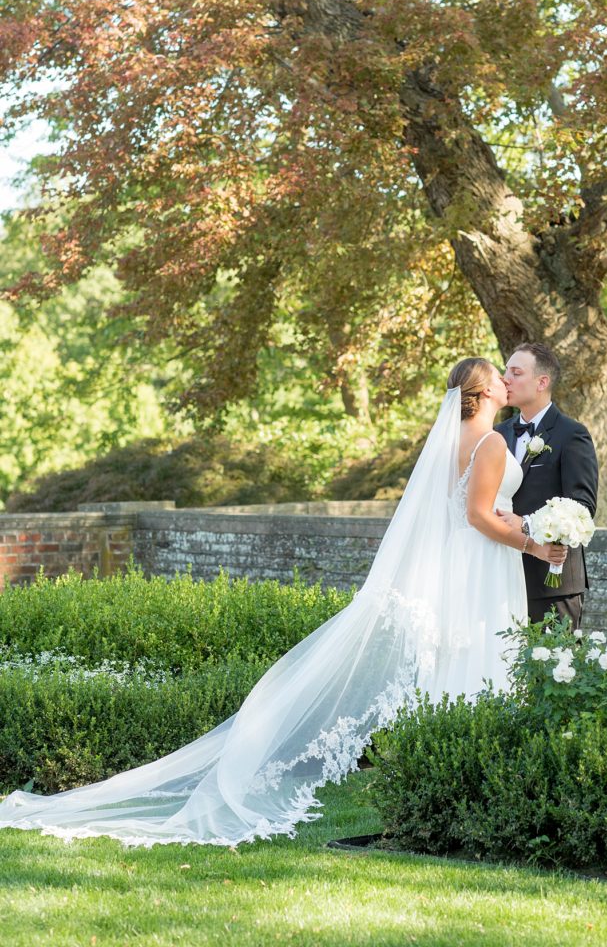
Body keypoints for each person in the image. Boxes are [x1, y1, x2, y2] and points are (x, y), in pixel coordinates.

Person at [0, 357, 565, 848]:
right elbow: (476, 515)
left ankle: (445, 770)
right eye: (500, 377)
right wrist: (533, 541)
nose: (506, 382)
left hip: (462, 563)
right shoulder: (490, 440)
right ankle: (464, 771)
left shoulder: (450, 443)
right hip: (478, 563)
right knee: (476, 654)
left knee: (457, 660)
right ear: (485, 391)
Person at [496, 343, 598, 631]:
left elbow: (583, 508)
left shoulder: (572, 434)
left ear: (542, 382)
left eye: (516, 372)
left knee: (551, 672)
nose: (506, 379)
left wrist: (526, 524)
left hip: (552, 580)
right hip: (500, 574)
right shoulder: (498, 434)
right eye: (506, 371)